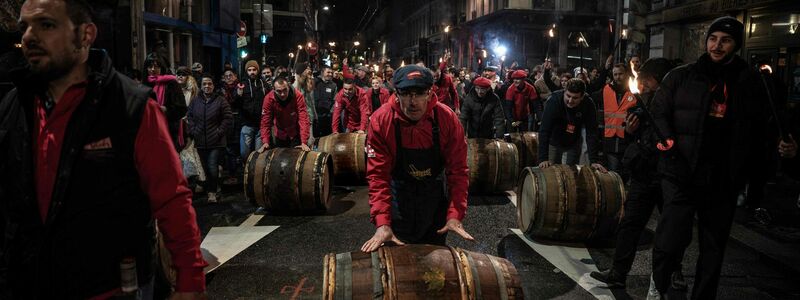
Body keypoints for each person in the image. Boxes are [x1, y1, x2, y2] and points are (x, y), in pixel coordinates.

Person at [0, 0, 207, 298]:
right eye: (25, 27)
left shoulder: (131, 106)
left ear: (85, 35)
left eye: (46, 25)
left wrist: (190, 282)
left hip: (112, 289)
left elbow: (172, 199)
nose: (29, 36)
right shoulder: (13, 106)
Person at [648, 16, 769, 299]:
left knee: (713, 250)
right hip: (681, 173)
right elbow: (659, 113)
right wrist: (667, 144)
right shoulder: (681, 76)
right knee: (668, 241)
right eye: (713, 39)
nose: (717, 45)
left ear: (736, 45)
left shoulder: (749, 81)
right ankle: (659, 288)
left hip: (722, 180)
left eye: (725, 40)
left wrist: (754, 181)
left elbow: (760, 132)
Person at [590, 58, 688, 291]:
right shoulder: (642, 103)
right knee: (630, 224)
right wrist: (631, 130)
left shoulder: (676, 104)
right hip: (645, 173)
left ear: (658, 81)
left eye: (646, 80)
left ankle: (675, 272)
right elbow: (635, 134)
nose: (641, 85)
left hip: (669, 175)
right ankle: (618, 272)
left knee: (673, 228)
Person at [360, 65, 473, 252]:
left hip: (434, 198)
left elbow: (458, 171)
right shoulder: (381, 120)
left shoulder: (447, 119)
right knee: (399, 265)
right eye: (406, 93)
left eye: (419, 93)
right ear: (396, 93)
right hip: (399, 198)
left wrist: (455, 214)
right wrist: (382, 223)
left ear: (430, 93)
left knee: (434, 269)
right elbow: (378, 176)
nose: (413, 102)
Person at [537, 79, 606, 172]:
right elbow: (544, 130)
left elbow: (592, 132)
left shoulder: (588, 104)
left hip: (573, 141)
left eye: (575, 98)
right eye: (568, 96)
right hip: (554, 140)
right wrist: (543, 158)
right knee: (550, 172)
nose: (570, 101)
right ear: (564, 91)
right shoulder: (554, 100)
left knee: (571, 173)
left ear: (582, 97)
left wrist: (593, 160)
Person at [188, 74, 233, 202]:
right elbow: (190, 117)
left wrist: (219, 131)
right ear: (201, 86)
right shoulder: (195, 101)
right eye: (204, 84)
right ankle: (214, 186)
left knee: (212, 166)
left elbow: (228, 117)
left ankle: (211, 192)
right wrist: (193, 130)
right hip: (201, 140)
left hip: (216, 141)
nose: (207, 86)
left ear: (213, 85)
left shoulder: (220, 100)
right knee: (206, 168)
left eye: (209, 84)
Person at [592, 63, 635, 175]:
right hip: (610, 139)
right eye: (615, 74)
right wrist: (604, 70)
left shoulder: (634, 91)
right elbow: (592, 90)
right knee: (614, 173)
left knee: (627, 172)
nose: (617, 77)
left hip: (628, 139)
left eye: (620, 74)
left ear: (626, 74)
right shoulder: (606, 89)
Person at [143, 52, 187, 152]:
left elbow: (182, 109)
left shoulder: (171, 83)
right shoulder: (144, 84)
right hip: (149, 132)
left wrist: (165, 109)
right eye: (150, 67)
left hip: (168, 133)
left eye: (156, 66)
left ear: (162, 67)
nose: (153, 69)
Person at [257, 77, 311, 151]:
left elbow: (303, 118)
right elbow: (265, 122)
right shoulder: (269, 99)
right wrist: (265, 141)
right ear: (274, 90)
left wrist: (304, 141)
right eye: (279, 91)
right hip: (280, 133)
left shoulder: (297, 96)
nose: (282, 94)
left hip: (295, 132)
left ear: (288, 86)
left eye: (285, 90)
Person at [236, 60, 270, 162]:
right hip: (247, 124)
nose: (252, 72)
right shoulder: (242, 84)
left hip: (261, 125)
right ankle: (246, 170)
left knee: (259, 155)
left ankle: (255, 174)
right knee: (244, 153)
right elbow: (236, 104)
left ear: (258, 70)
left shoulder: (263, 84)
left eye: (254, 69)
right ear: (246, 71)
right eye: (249, 70)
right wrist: (238, 94)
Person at [314, 66, 338, 137]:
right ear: (322, 72)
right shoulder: (314, 82)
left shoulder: (333, 85)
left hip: (327, 116)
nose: (330, 74)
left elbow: (335, 100)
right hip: (315, 116)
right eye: (328, 72)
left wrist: (331, 112)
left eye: (331, 72)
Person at [294, 66, 316, 143]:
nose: (308, 71)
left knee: (310, 141)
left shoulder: (307, 85)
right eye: (306, 69)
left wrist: (314, 115)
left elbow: (311, 102)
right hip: (299, 118)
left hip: (309, 116)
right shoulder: (296, 85)